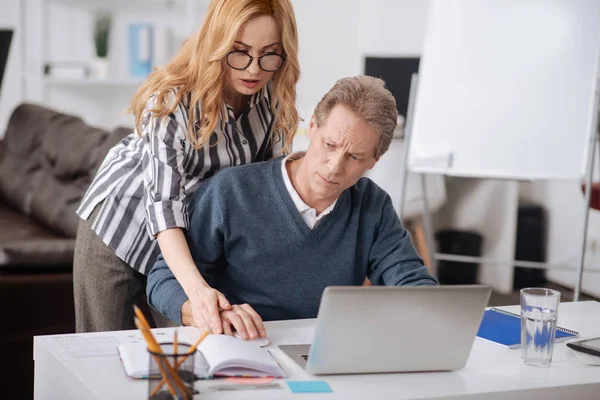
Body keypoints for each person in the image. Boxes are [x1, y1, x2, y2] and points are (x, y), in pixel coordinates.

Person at [147, 75, 438, 339]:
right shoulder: (231, 192)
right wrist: (209, 312)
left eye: (355, 157)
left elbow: (410, 281)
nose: (334, 167)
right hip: (241, 345)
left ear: (374, 160)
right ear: (312, 127)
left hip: (320, 351)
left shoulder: (372, 206)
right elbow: (161, 280)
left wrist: (435, 312)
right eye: (330, 144)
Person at [73, 0, 300, 333]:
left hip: (186, 246)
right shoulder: (171, 101)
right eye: (239, 51)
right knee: (103, 359)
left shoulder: (272, 105)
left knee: (192, 356)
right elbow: (165, 211)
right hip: (119, 229)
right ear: (218, 43)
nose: (254, 69)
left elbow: (266, 201)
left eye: (269, 53)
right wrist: (198, 290)